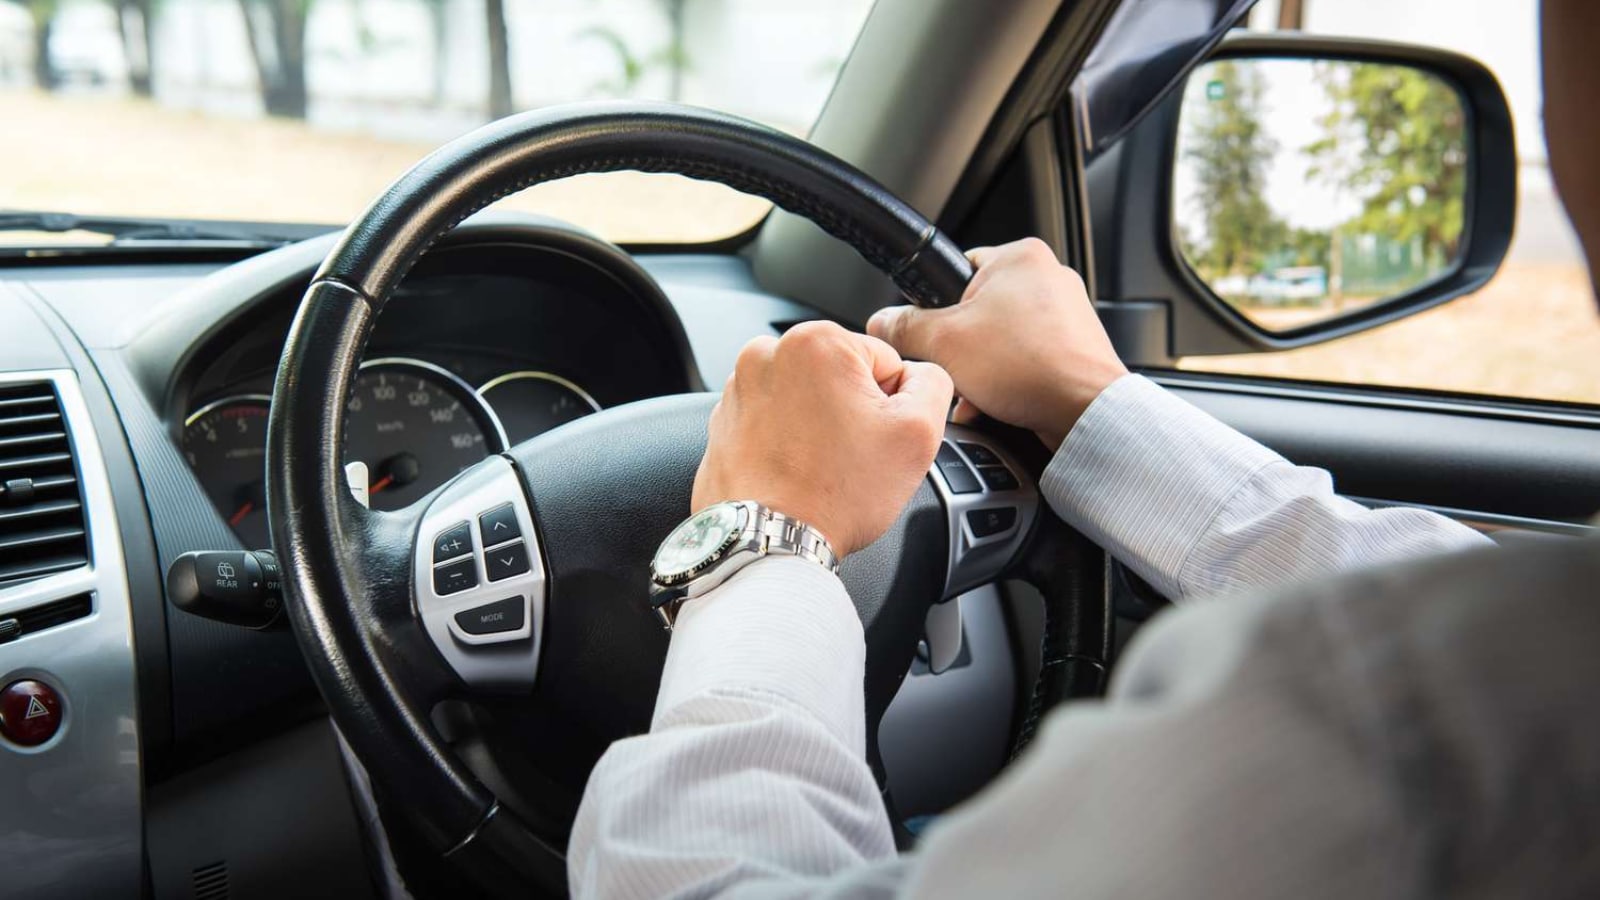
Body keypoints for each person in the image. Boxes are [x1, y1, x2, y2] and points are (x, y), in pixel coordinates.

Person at [569, 0, 1600, 895]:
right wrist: (1087, 400)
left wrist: (761, 539)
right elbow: (1434, 597)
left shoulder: (1423, 735)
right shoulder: (1511, 682)